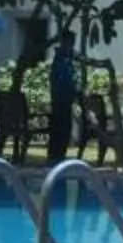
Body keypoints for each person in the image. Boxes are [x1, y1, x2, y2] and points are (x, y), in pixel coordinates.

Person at [46, 30, 79, 164]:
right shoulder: (61, 60)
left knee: (62, 128)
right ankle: (56, 155)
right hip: (61, 98)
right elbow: (65, 79)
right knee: (61, 128)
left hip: (62, 98)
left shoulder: (64, 58)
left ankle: (57, 154)